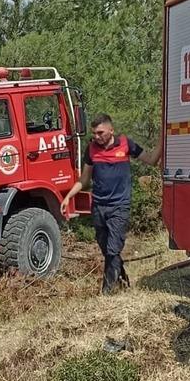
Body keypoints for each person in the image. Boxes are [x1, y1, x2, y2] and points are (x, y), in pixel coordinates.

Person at [62, 114, 160, 295]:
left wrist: (164, 138)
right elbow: (84, 179)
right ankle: (124, 282)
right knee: (107, 249)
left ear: (111, 130)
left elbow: (152, 160)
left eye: (100, 133)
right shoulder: (91, 149)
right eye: (94, 134)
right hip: (98, 207)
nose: (96, 137)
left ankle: (106, 292)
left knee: (113, 248)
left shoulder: (125, 144)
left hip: (119, 206)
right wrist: (68, 196)